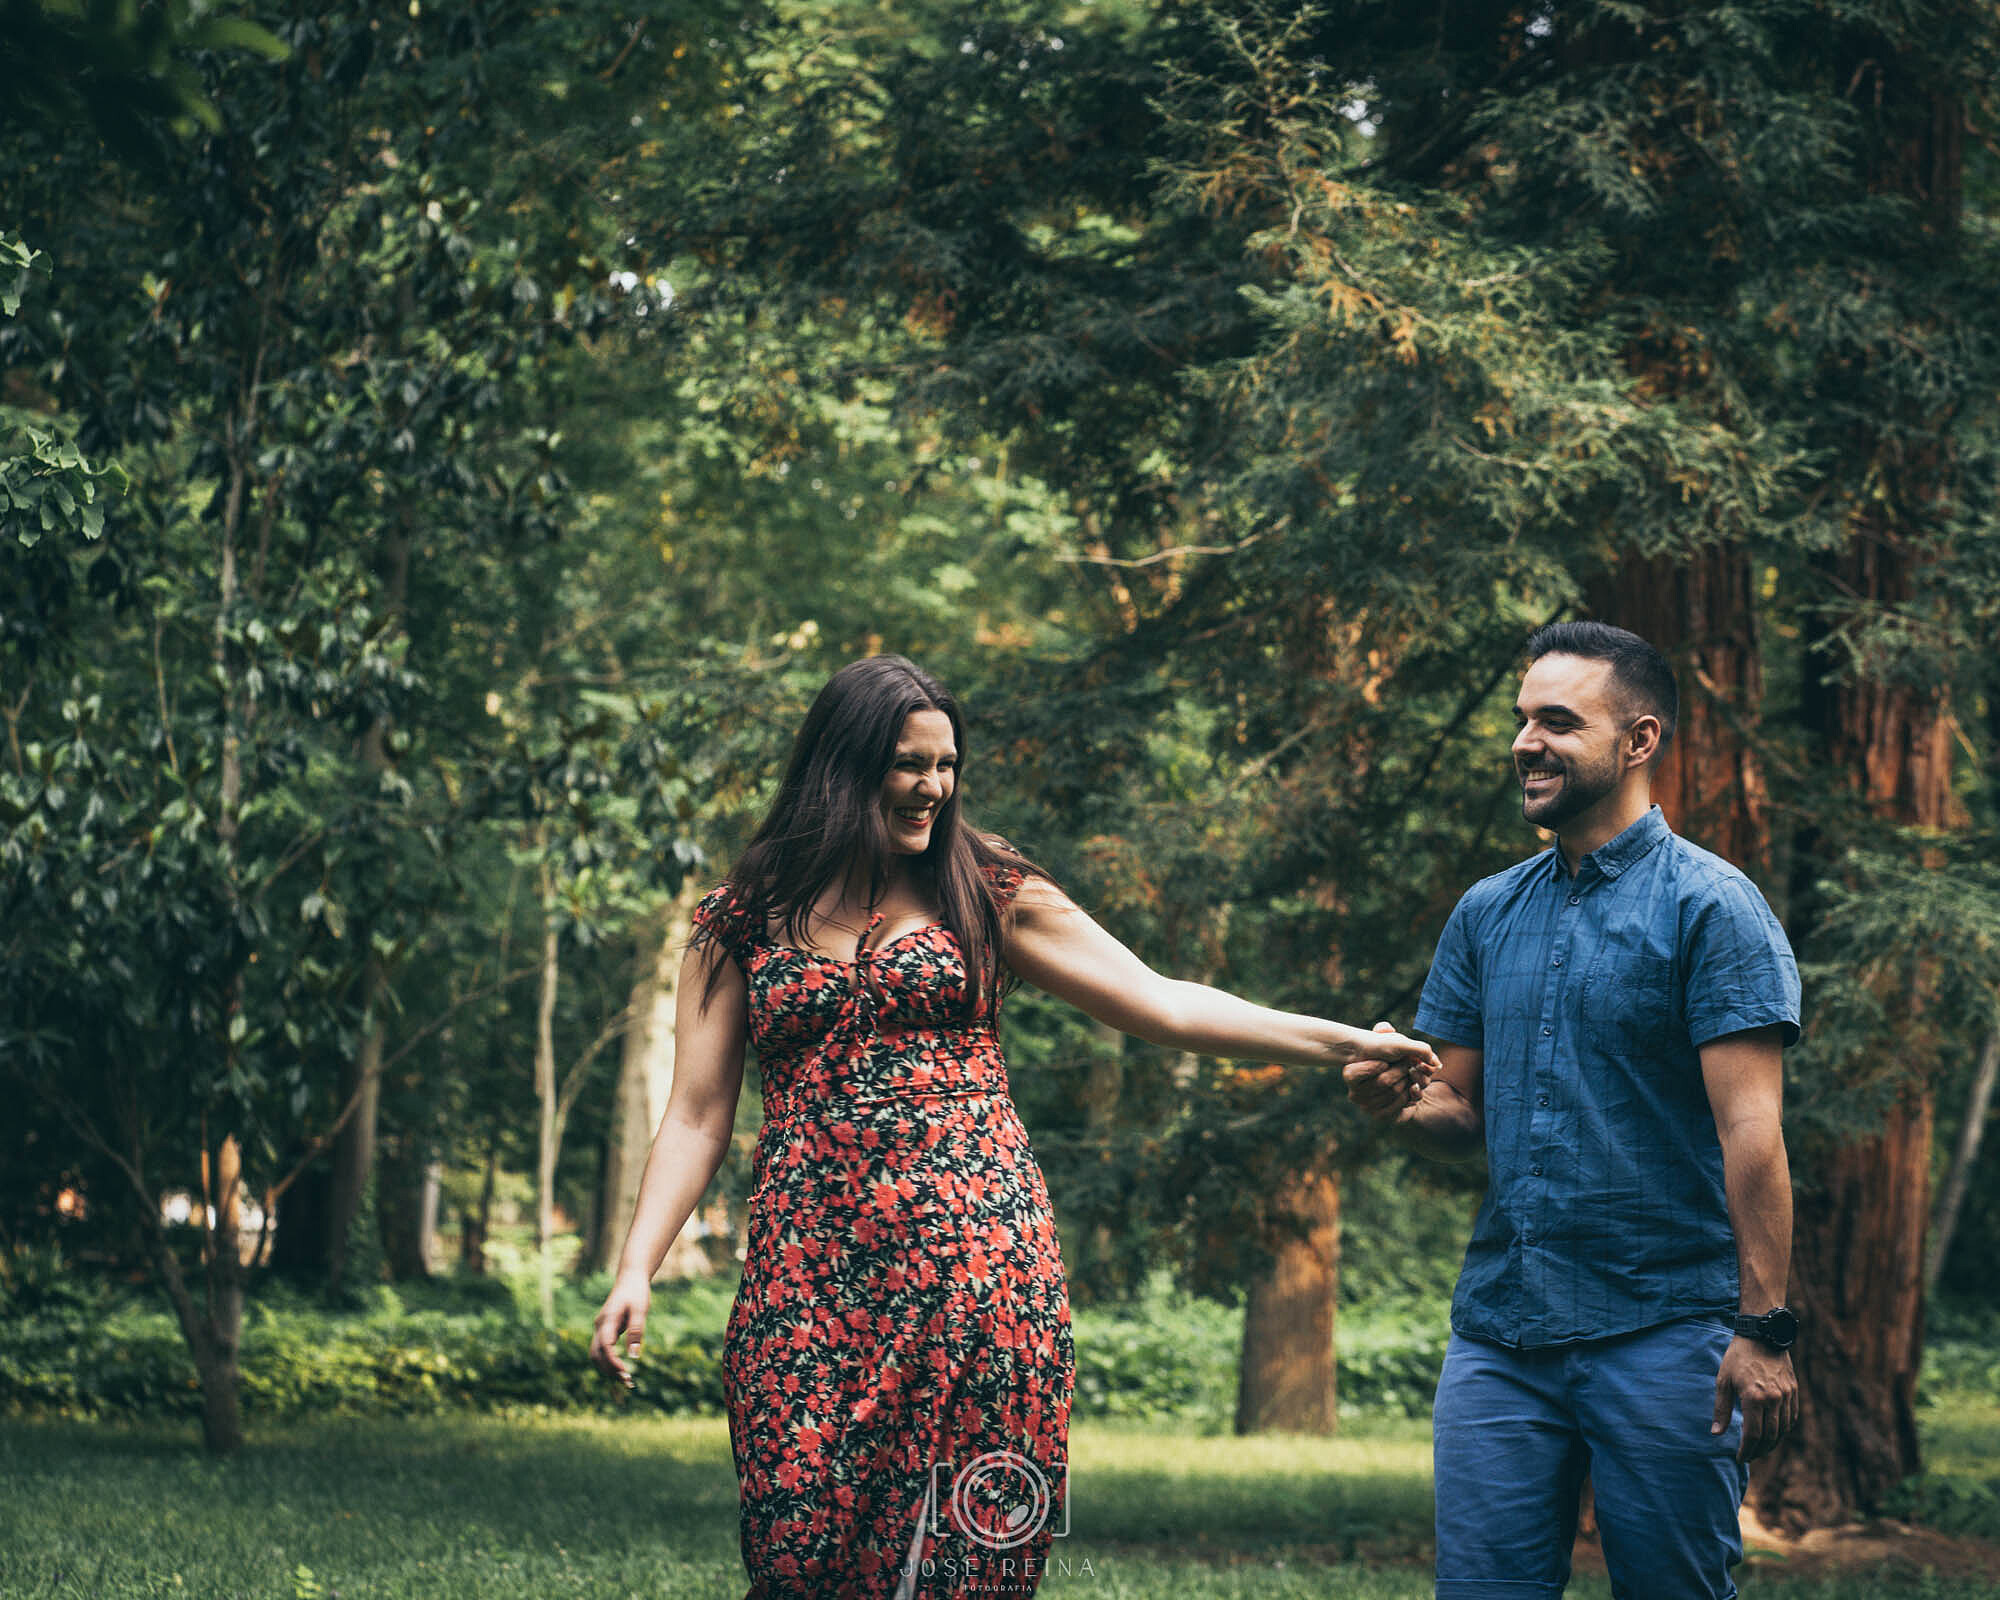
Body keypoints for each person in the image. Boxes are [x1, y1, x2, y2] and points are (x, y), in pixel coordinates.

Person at [590, 654, 1440, 1600]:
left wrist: (1346, 1043)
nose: (932, 787)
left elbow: (1162, 1004)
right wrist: (638, 1265)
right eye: (909, 764)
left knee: (963, 1559)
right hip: (809, 1272)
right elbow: (698, 1115)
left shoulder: (984, 891)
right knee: (797, 1551)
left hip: (979, 1268)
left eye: (946, 764)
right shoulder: (740, 921)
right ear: (843, 766)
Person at [1345, 621, 1802, 1600]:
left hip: (1665, 1331)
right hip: (1499, 1339)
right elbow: (1455, 1112)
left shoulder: (1711, 908)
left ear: (1637, 740)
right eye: (1520, 719)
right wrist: (1397, 1099)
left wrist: (1763, 1329)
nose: (1524, 741)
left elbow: (1750, 1132)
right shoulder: (1484, 911)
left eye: (1557, 721)